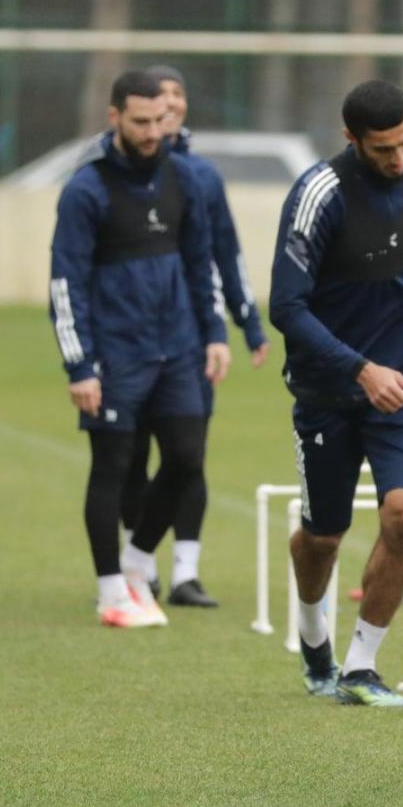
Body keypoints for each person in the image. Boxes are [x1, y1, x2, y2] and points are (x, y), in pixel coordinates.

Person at [269, 80, 403, 707]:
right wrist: (360, 370)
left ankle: (360, 667)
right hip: (328, 389)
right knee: (322, 537)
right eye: (384, 149)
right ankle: (313, 639)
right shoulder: (319, 195)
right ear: (351, 138)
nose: (399, 158)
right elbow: (286, 307)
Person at [48, 70, 229, 628]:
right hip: (114, 354)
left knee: (186, 458)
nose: (154, 132)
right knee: (114, 466)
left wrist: (214, 331)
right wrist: (79, 365)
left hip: (178, 348)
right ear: (115, 118)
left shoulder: (184, 178)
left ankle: (135, 561)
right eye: (141, 122)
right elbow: (65, 284)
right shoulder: (87, 189)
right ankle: (112, 593)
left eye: (160, 120)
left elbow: (200, 262)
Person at [114, 64, 269, 608]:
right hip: (130, 339)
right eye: (160, 96)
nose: (170, 104)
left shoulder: (200, 175)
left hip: (191, 337)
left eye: (177, 94)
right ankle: (140, 565)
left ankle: (186, 571)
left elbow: (224, 252)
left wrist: (245, 323)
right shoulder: (110, 174)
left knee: (188, 453)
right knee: (130, 456)